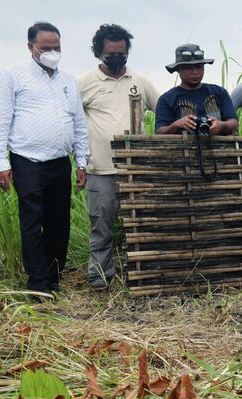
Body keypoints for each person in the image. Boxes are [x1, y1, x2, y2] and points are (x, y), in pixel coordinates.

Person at [0, 22, 89, 295]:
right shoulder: (13, 75)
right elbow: (1, 121)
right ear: (31, 47)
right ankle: (37, 285)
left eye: (56, 47)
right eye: (46, 48)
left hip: (60, 162)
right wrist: (1, 164)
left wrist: (82, 162)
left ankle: (53, 280)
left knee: (59, 223)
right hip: (27, 161)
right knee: (32, 222)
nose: (52, 52)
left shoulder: (68, 80)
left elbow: (78, 123)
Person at [78, 24, 160, 290]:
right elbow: (71, 120)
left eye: (121, 53)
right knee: (101, 227)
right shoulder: (85, 83)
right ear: (99, 52)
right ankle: (100, 280)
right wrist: (79, 159)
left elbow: (164, 109)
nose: (116, 58)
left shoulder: (139, 81)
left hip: (135, 168)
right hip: (100, 169)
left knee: (139, 226)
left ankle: (137, 277)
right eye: (110, 53)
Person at [155, 43, 237, 135]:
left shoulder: (219, 92)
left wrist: (221, 125)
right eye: (188, 67)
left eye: (199, 67)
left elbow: (233, 123)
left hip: (220, 148)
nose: (195, 72)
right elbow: (159, 131)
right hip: (181, 148)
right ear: (178, 69)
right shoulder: (167, 99)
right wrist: (176, 125)